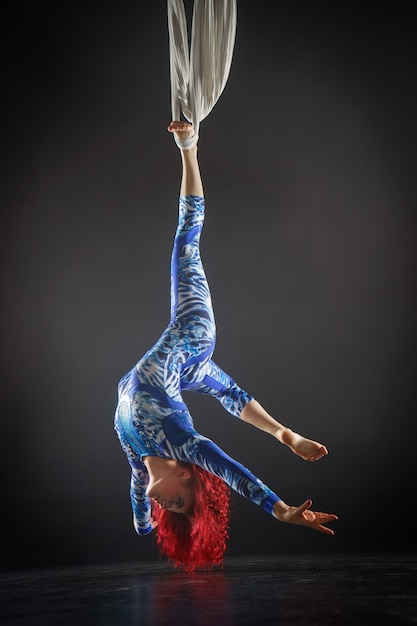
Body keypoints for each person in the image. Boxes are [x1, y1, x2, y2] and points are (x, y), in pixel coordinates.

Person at [114, 121, 337, 571]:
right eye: (178, 504)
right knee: (185, 241)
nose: (167, 507)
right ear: (185, 476)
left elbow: (139, 513)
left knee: (230, 394)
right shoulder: (186, 446)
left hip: (185, 371)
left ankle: (283, 433)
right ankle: (189, 147)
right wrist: (280, 510)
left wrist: (145, 524)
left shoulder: (137, 460)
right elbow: (235, 474)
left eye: (170, 512)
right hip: (192, 336)